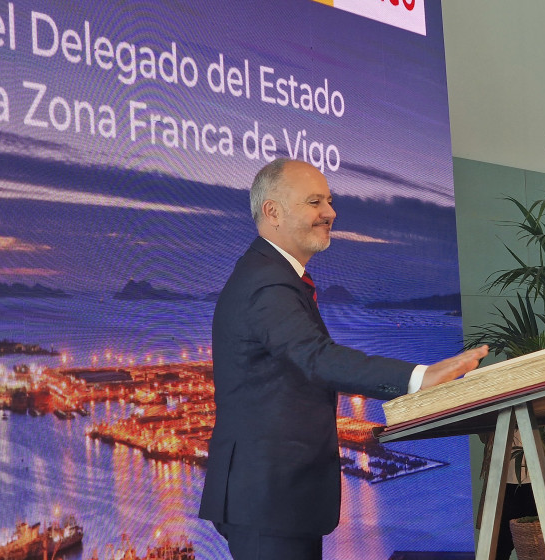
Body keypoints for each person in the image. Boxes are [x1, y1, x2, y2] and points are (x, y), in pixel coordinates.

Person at [199, 158, 489, 560]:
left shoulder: (272, 275)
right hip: (266, 500)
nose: (331, 212)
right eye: (315, 202)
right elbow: (317, 359)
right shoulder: (265, 281)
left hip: (277, 498)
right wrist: (418, 377)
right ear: (273, 212)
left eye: (330, 201)